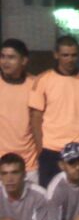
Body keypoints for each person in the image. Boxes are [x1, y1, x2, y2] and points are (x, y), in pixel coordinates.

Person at [30, 36, 79, 189]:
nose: (70, 59)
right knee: (49, 195)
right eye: (65, 55)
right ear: (56, 55)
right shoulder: (43, 80)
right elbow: (36, 118)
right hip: (52, 149)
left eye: (73, 55)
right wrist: (40, 148)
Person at [0, 39, 38, 183]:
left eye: (11, 57)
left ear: (24, 60)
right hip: (2, 166)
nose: (5, 62)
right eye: (2, 56)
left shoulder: (36, 85)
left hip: (29, 164)